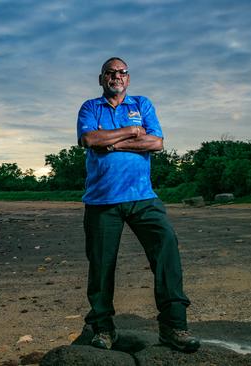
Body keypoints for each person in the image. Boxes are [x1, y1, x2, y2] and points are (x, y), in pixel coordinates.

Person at [76, 57, 200, 352]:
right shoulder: (90, 107)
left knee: (166, 247)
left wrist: (114, 143)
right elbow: (90, 138)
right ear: (101, 78)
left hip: (143, 197)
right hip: (102, 202)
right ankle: (104, 329)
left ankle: (173, 327)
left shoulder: (142, 104)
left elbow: (156, 142)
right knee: (102, 267)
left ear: (128, 79)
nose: (116, 76)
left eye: (122, 72)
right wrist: (133, 132)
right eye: (110, 72)